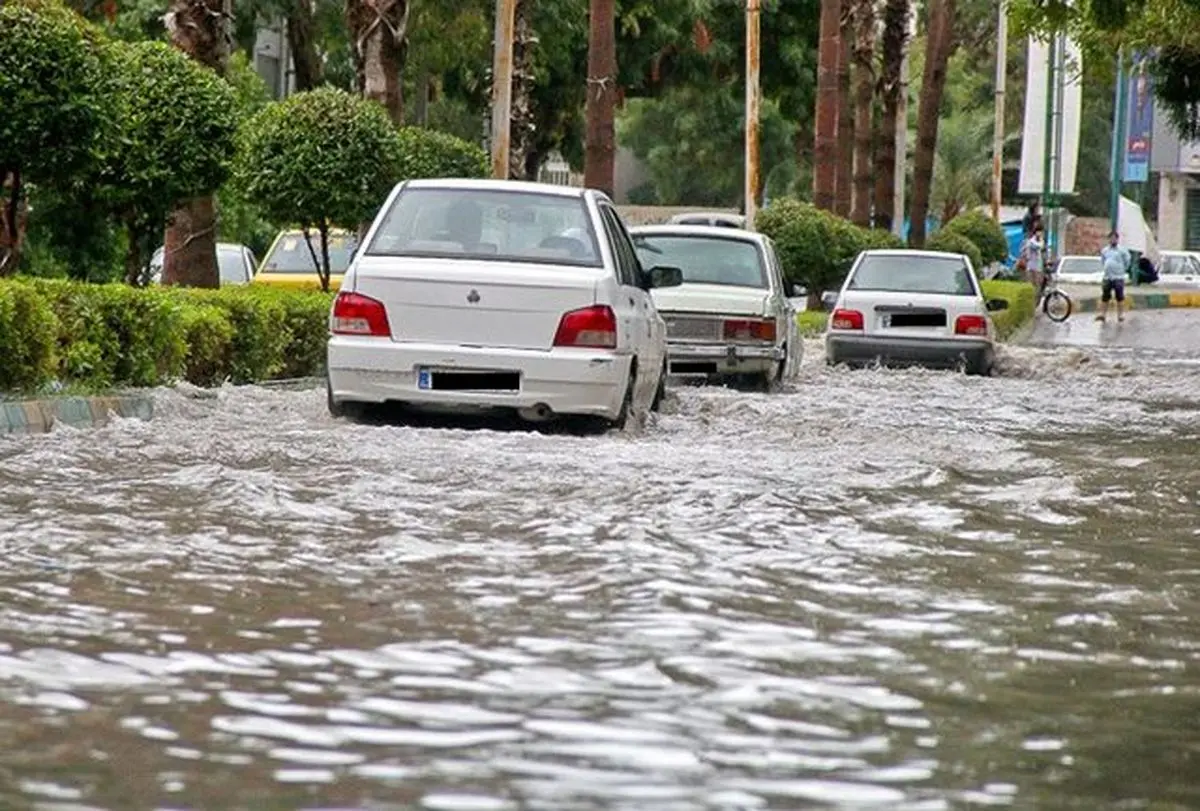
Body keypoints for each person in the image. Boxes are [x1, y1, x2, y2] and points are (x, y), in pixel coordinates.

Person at [1097, 230, 1131, 323]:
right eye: (1111, 238)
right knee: (1105, 296)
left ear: (1117, 239)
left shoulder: (1122, 250)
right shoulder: (1105, 250)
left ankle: (1120, 315)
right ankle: (1102, 314)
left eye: (1114, 238)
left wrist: (1121, 269)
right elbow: (1103, 261)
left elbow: (1127, 262)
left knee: (1119, 296)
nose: (1112, 240)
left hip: (1118, 277)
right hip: (1107, 277)